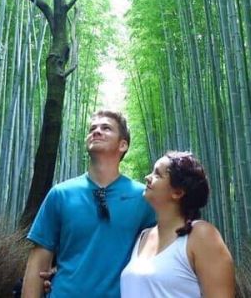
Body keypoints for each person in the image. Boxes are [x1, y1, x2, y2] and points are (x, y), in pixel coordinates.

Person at [21, 110, 155, 298]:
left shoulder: (144, 197)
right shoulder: (61, 194)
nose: (96, 131)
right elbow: (38, 262)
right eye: (93, 128)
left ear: (123, 145)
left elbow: (163, 255)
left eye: (106, 128)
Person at [120, 151, 235, 298]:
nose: (147, 178)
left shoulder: (201, 235)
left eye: (157, 174)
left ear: (178, 192)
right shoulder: (143, 236)